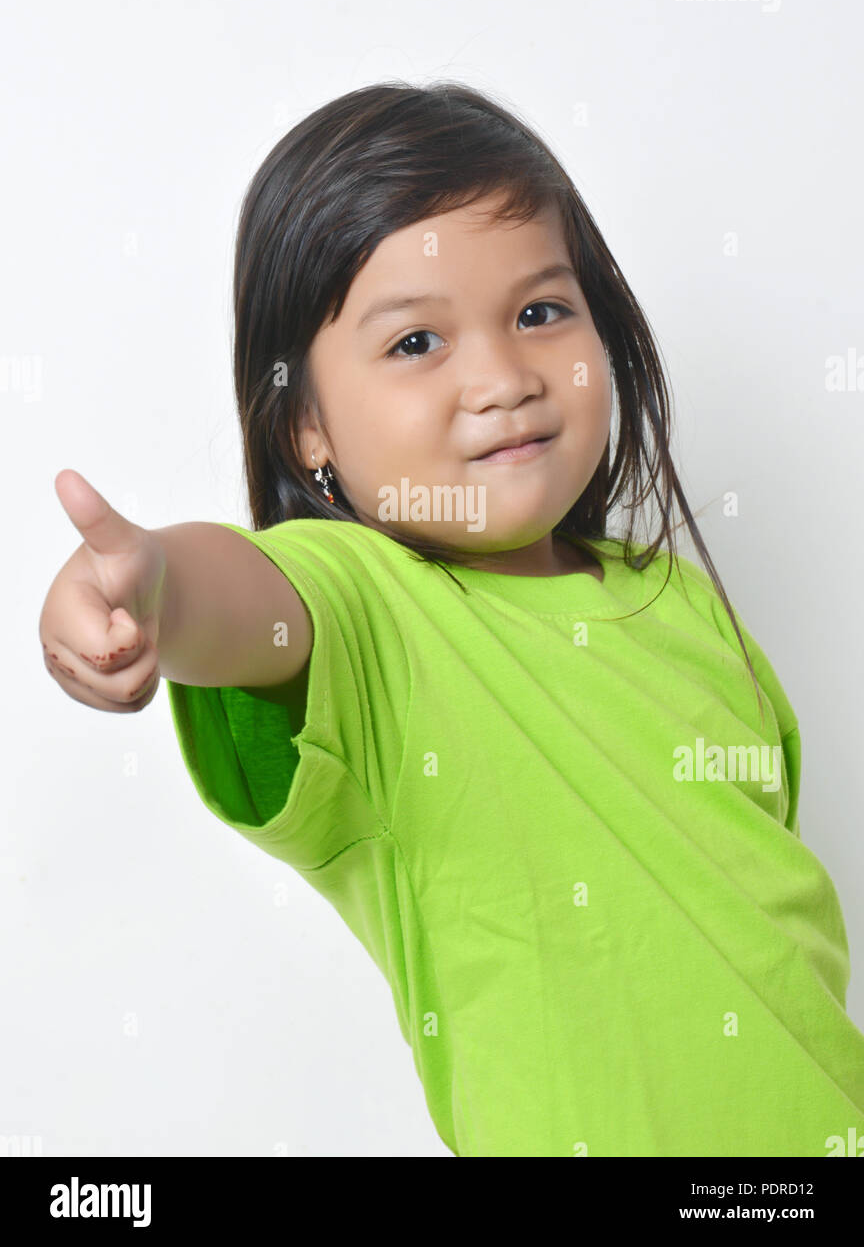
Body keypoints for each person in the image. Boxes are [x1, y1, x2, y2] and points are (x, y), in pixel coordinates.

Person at [39, 81, 864, 1157]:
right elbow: (250, 604)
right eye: (417, 343)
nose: (503, 377)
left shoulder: (682, 601)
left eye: (538, 312)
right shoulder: (365, 612)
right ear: (305, 426)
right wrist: (153, 585)